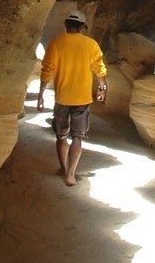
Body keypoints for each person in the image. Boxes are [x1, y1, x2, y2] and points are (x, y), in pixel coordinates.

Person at [37, 11, 107, 186]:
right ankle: (70, 174)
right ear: (83, 27)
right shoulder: (91, 45)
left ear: (66, 25)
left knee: (61, 136)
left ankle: (63, 168)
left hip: (62, 98)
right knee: (78, 136)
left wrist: (41, 93)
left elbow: (47, 70)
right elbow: (100, 69)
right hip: (82, 99)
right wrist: (102, 88)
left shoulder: (56, 44)